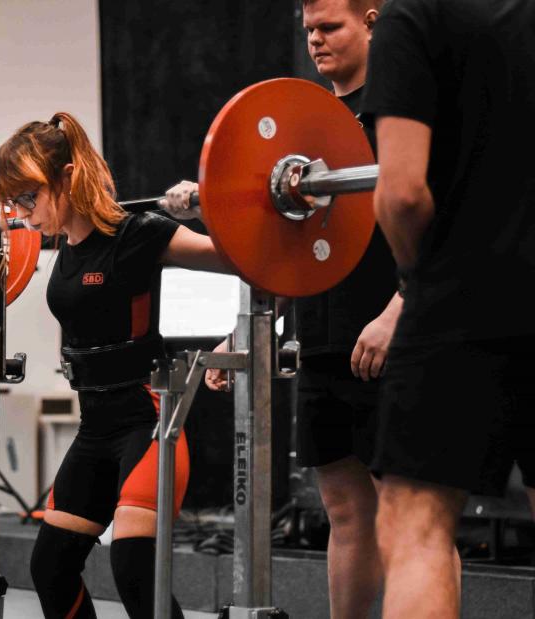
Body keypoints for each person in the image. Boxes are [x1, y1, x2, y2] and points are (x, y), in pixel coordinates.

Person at [165, 1, 398, 616]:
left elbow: (442, 227)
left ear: (372, 21)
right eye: (309, 31)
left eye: (330, 27)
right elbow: (280, 246)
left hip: (390, 339)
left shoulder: (400, 113)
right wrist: (240, 334)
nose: (316, 41)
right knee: (344, 513)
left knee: (410, 518)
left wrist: (395, 315)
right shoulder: (304, 131)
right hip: (322, 337)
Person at [0, 112, 227, 618]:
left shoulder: (138, 233)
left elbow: (241, 259)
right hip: (95, 428)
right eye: (15, 202)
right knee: (51, 568)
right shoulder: (66, 245)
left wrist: (207, 208)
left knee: (134, 567)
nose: (23, 214)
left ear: (68, 177)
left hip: (148, 421)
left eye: (29, 197)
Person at [361, 1, 535, 616]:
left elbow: (402, 193)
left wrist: (418, 278)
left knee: (417, 525)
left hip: (460, 299)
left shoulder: (415, 15)